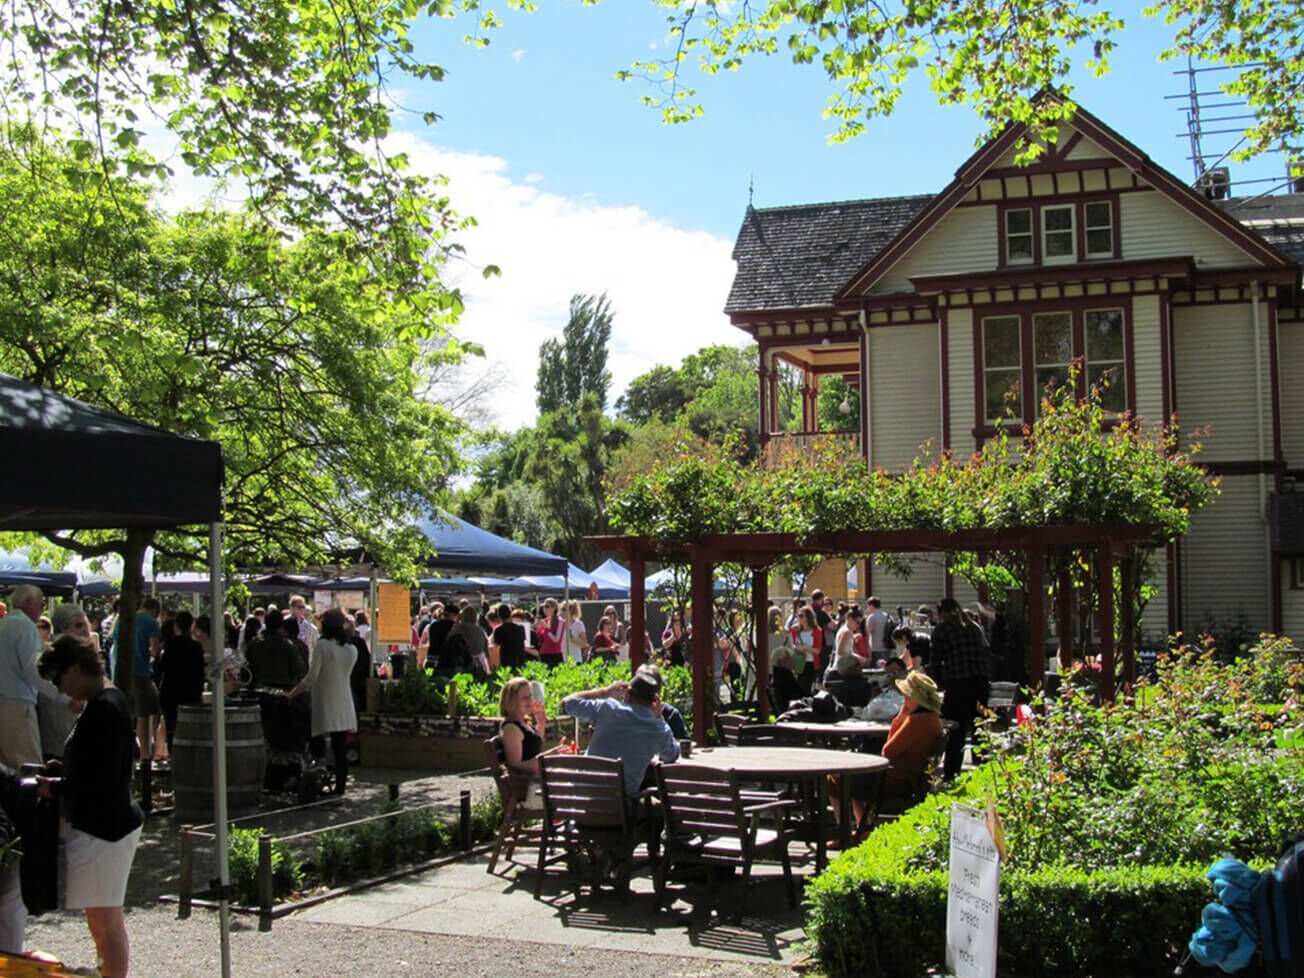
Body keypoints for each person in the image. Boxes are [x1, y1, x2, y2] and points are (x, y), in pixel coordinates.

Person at [37, 635, 143, 978]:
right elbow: (93, 764)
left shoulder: (106, 707)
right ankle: (108, 972)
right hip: (101, 824)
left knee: (105, 920)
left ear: (76, 669)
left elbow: (104, 775)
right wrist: (60, 771)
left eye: (59, 679)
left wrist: (58, 786)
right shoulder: (103, 702)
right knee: (101, 918)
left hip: (106, 827)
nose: (60, 688)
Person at [561, 666, 680, 796]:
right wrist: (659, 718)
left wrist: (605, 692)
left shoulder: (607, 708)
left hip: (582, 800)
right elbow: (671, 756)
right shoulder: (658, 729)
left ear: (627, 694)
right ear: (655, 701)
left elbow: (567, 703)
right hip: (619, 809)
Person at [287, 608, 357, 796]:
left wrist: (291, 694)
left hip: (325, 700)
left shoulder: (323, 645)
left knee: (318, 743)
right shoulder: (351, 649)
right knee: (339, 747)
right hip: (345, 701)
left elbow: (311, 678)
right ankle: (340, 789)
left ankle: (315, 777)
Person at [931, 596, 991, 781]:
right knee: (979, 726)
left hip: (957, 683)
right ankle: (983, 769)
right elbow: (986, 651)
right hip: (980, 681)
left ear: (942, 612)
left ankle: (951, 772)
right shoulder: (974, 626)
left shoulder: (943, 629)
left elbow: (936, 660)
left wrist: (937, 684)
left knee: (955, 729)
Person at [880, 671, 945, 813]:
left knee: (836, 780)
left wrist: (899, 718)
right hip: (914, 778)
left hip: (898, 780)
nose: (904, 698)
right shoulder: (933, 719)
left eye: (907, 695)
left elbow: (887, 752)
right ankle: (863, 824)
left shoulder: (915, 721)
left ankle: (861, 826)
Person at [0, 586, 47, 769]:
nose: (42, 609)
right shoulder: (25, 627)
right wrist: (64, 696)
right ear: (28, 602)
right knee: (29, 768)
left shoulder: (3, 625)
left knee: (6, 771)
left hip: (6, 703)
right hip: (19, 707)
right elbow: (34, 671)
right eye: (41, 604)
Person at [39, 603, 92, 760]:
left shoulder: (82, 652)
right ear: (62, 628)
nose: (85, 630)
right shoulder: (52, 653)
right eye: (78, 625)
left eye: (85, 625)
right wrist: (71, 698)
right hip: (58, 731)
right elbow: (45, 685)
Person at [154, 610, 205, 752]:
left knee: (171, 728)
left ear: (176, 626)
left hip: (171, 692)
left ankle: (173, 755)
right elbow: (201, 671)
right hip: (191, 692)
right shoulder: (196, 646)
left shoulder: (170, 645)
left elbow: (161, 668)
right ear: (191, 626)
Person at [246, 612, 308, 690]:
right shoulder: (288, 645)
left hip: (260, 687)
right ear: (281, 625)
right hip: (284, 690)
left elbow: (248, 666)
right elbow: (299, 669)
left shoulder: (254, 644)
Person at [767, 606, 804, 714]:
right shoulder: (785, 634)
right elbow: (791, 651)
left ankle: (770, 708)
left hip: (768, 665)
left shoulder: (763, 633)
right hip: (782, 667)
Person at [491, 604, 527, 670]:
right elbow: (523, 646)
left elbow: (496, 649)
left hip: (506, 663)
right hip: (520, 661)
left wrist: (496, 666)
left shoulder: (498, 630)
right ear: (510, 613)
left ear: (499, 616)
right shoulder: (521, 628)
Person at [864, 597, 895, 663]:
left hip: (875, 649)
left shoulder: (871, 618)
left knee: (876, 671)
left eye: (868, 606)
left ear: (871, 605)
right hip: (887, 648)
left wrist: (867, 650)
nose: (867, 608)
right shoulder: (888, 616)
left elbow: (867, 634)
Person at [536, 599, 565, 668]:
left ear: (554, 608)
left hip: (554, 655)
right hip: (543, 654)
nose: (544, 609)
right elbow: (539, 639)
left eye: (547, 606)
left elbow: (556, 640)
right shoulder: (545, 620)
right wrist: (537, 627)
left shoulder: (560, 621)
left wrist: (546, 628)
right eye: (543, 607)